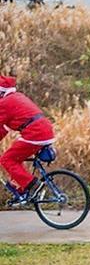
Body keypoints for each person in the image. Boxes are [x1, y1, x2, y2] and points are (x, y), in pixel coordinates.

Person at [0, 76, 55, 204]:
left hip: (35, 134)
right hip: (44, 130)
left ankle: (32, 185)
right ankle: (22, 189)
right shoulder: (17, 97)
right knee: (16, 158)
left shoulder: (4, 103)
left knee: (7, 159)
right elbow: (3, 128)